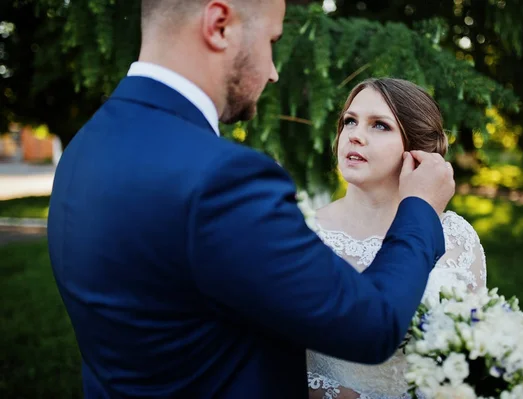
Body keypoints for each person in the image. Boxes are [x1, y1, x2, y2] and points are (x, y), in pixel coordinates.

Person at [46, 1, 455, 398]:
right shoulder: (223, 179)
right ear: (219, 25)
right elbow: (374, 326)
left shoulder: (86, 148)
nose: (274, 72)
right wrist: (419, 207)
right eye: (272, 41)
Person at [305, 78, 487, 399]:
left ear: (416, 150)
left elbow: (476, 352)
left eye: (379, 126)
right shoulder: (307, 234)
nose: (355, 135)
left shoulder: (458, 238)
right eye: (350, 121)